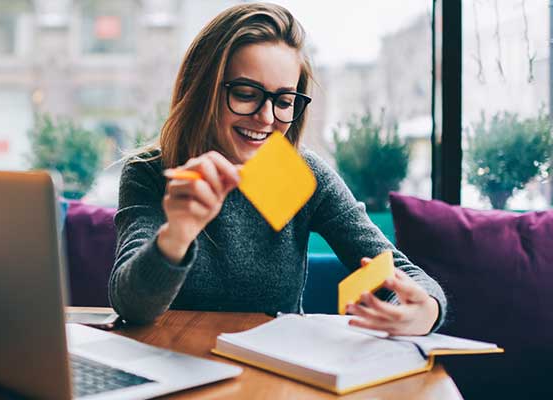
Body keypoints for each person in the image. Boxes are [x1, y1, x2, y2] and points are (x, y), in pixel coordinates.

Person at [109, 3, 446, 336]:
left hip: (273, 375)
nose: (267, 118)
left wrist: (424, 310)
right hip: (174, 366)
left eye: (284, 101)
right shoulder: (152, 173)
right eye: (245, 94)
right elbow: (132, 305)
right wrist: (177, 234)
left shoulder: (298, 174)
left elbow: (394, 269)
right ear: (202, 90)